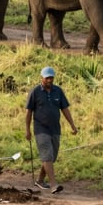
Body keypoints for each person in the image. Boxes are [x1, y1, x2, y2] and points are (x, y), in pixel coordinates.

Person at [24, 66, 77, 194]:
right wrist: (27, 130)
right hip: (40, 129)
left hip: (55, 129)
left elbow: (65, 109)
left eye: (51, 78)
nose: (49, 80)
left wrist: (72, 125)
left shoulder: (58, 91)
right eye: (47, 78)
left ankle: (40, 180)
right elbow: (28, 112)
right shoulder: (35, 92)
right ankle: (53, 185)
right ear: (41, 78)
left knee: (51, 157)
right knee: (47, 155)